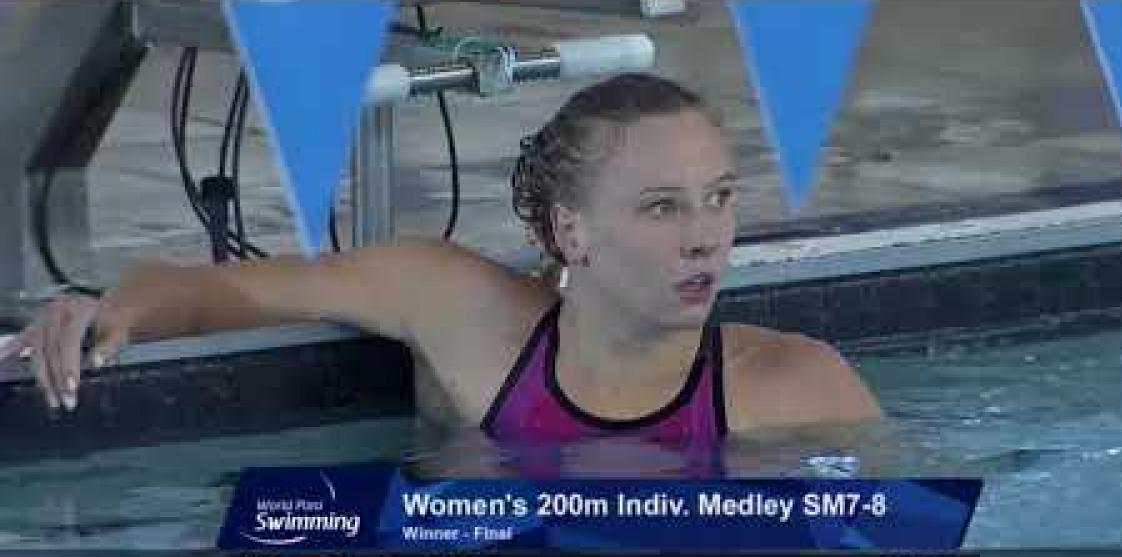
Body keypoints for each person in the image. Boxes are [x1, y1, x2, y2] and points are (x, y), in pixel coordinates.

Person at [0, 73, 881, 476]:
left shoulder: (796, 386)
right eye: (662, 207)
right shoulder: (455, 308)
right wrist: (102, 313)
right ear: (572, 231)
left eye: (719, 198)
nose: (706, 239)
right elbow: (214, 291)